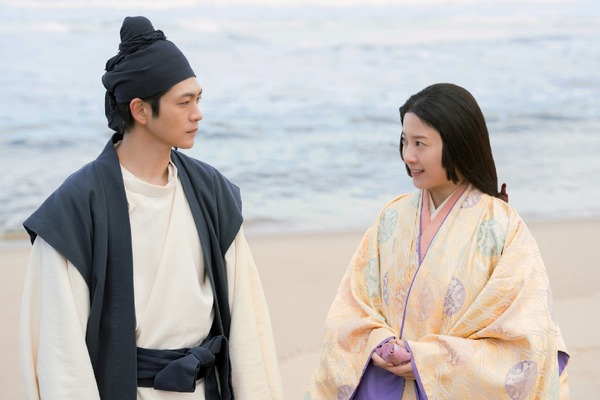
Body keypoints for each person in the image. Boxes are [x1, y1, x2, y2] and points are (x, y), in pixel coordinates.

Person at [20, 16, 283, 400]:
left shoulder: (212, 192)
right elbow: (62, 356)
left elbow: (248, 324)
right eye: (184, 102)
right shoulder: (76, 209)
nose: (198, 113)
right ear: (141, 110)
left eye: (198, 99)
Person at [306, 83, 569, 399]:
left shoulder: (502, 227)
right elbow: (352, 304)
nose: (408, 155)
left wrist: (428, 361)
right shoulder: (392, 217)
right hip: (384, 385)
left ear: (457, 144)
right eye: (404, 141)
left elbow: (524, 338)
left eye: (420, 143)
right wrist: (377, 343)